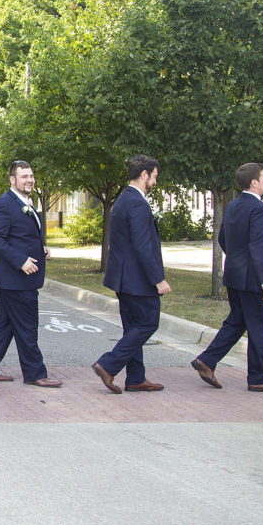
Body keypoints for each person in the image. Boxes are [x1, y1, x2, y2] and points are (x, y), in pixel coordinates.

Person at [192, 162, 263, 393]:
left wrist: (237, 261)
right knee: (259, 329)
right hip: (255, 281)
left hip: (234, 277)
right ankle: (258, 378)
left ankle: (207, 360)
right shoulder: (260, 209)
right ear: (254, 182)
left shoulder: (233, 205)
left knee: (236, 322)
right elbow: (258, 248)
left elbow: (223, 239)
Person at [0, 160, 62, 388]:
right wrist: (21, 260)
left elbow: (20, 235)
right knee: (27, 326)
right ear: (12, 179)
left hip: (17, 278)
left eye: (31, 175)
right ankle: (35, 373)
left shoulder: (25, 203)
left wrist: (39, 249)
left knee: (5, 324)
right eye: (24, 176)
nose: (30, 180)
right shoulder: (5, 203)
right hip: (14, 278)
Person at [92, 155, 170, 394]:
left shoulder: (124, 199)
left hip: (124, 277)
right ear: (144, 174)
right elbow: (142, 245)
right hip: (137, 279)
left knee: (133, 327)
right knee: (148, 323)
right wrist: (158, 279)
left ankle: (136, 378)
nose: (156, 181)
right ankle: (108, 364)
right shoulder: (136, 202)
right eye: (155, 176)